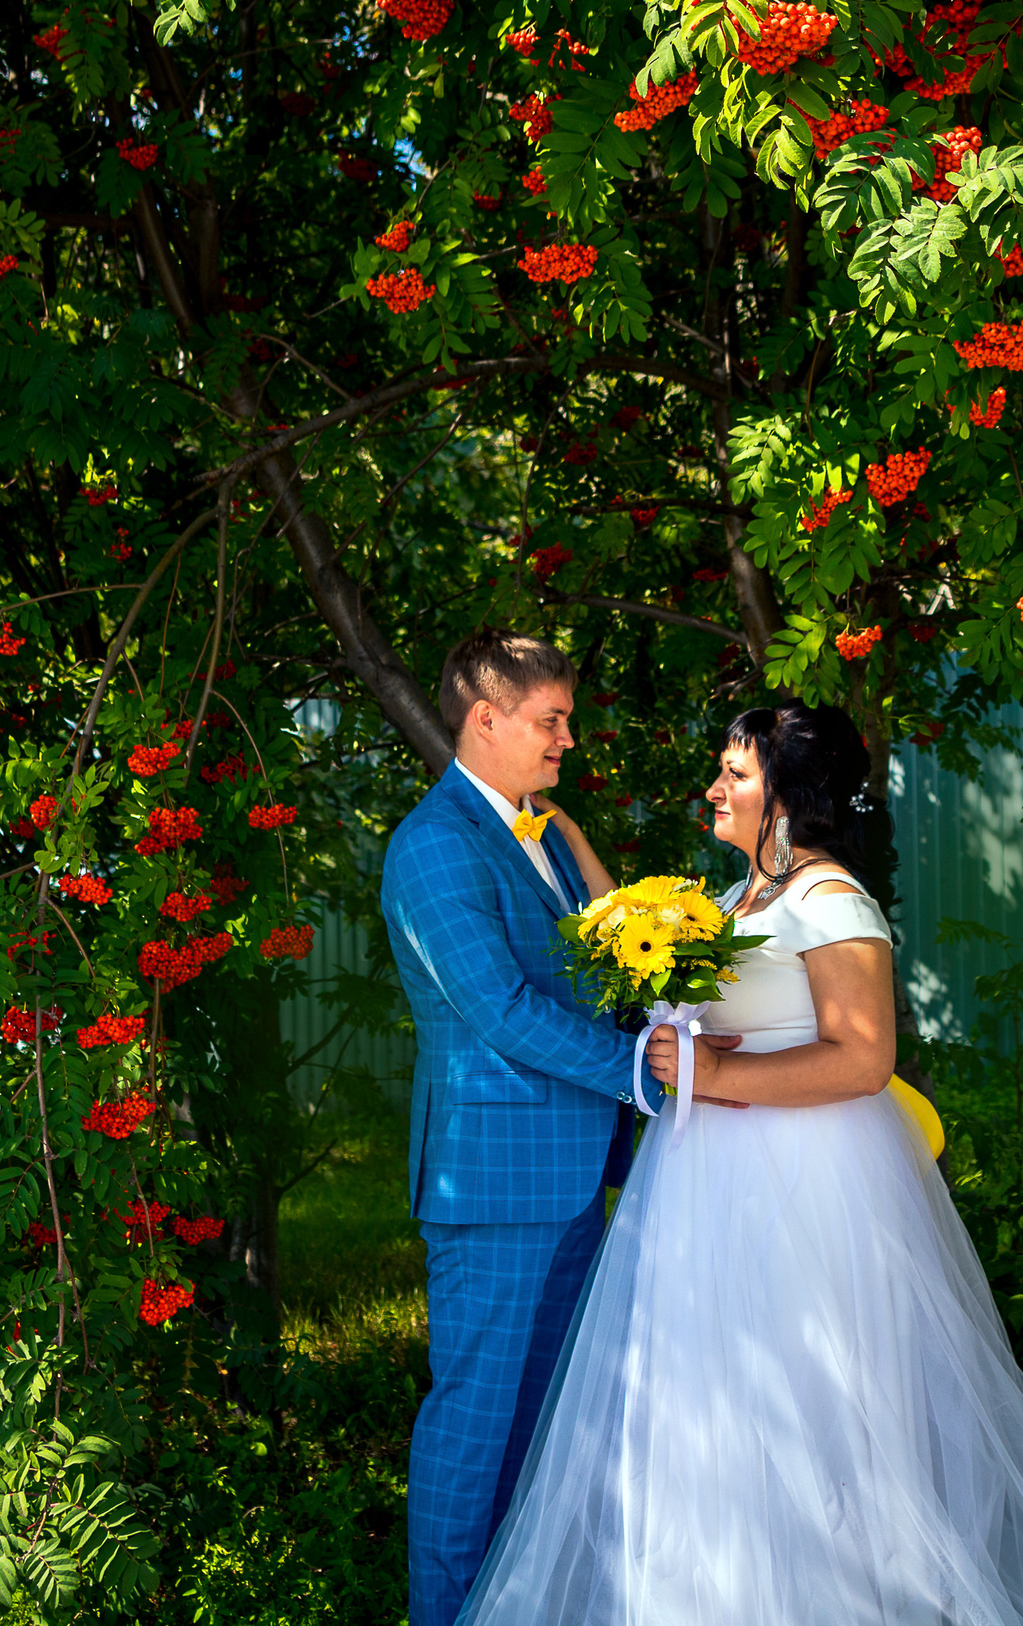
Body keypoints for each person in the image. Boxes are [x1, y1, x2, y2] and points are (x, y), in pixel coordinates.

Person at [458, 700, 1023, 1626]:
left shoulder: (829, 899)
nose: (716, 788)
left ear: (790, 796)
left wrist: (713, 1071)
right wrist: (570, 836)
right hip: (702, 1184)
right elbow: (627, 932)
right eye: (721, 769)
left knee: (813, 1417)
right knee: (705, 1406)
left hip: (804, 1184)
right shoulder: (733, 901)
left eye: (738, 774)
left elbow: (862, 1057)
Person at [379, 627, 669, 1626]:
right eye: (551, 721)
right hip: (493, 1183)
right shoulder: (432, 845)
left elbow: (587, 980)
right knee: (473, 1425)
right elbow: (496, 1004)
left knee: (548, 1421)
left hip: (570, 1174)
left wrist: (662, 1024)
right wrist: (641, 1073)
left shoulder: (535, 830)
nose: (566, 740)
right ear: (484, 718)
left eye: (568, 720)